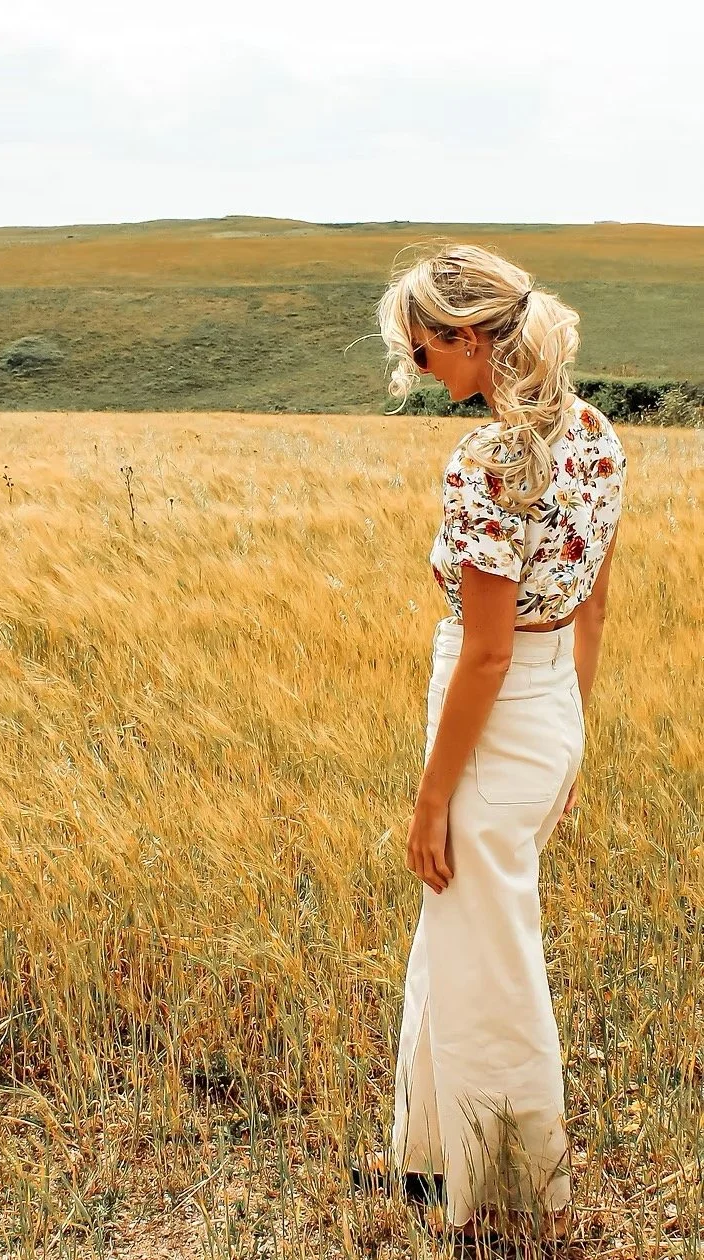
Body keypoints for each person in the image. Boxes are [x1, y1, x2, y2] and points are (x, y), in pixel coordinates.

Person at [353, 242, 627, 1242]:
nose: (416, 371)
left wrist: (431, 799)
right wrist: (572, 736)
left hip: (492, 721)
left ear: (467, 338)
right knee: (460, 945)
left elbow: (484, 654)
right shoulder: (597, 436)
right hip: (548, 716)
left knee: (493, 965)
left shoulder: (487, 460)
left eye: (420, 353)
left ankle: (515, 1194)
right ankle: (433, 1162)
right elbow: (592, 607)